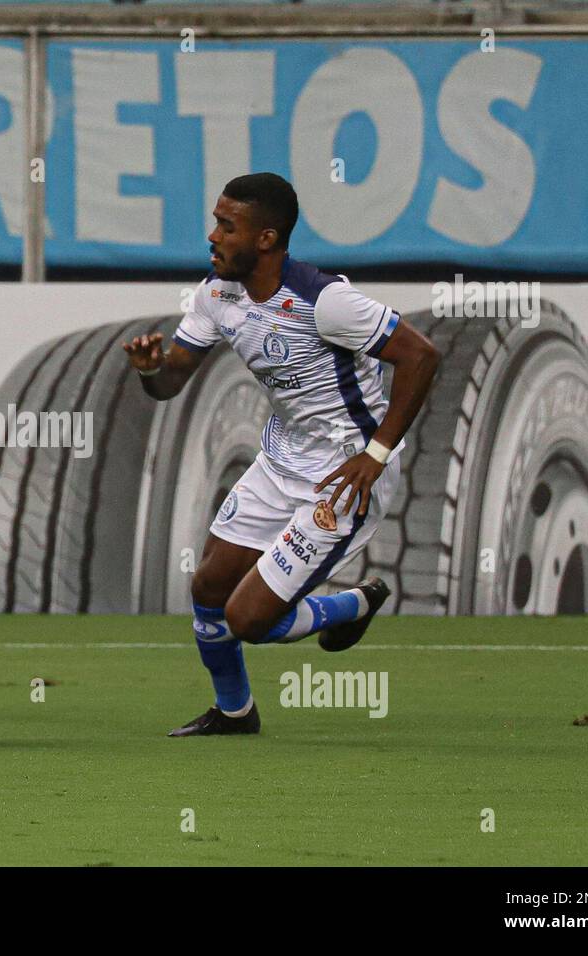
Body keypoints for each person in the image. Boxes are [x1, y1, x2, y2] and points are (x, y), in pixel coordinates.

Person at [123, 172, 439, 737]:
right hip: (280, 460)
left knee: (248, 619)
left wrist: (377, 453)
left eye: (227, 226)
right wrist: (151, 369)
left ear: (266, 239)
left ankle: (350, 607)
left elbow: (421, 357)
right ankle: (235, 712)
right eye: (216, 222)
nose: (212, 237)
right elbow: (171, 381)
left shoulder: (326, 301)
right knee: (208, 590)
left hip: (344, 475)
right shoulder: (217, 295)